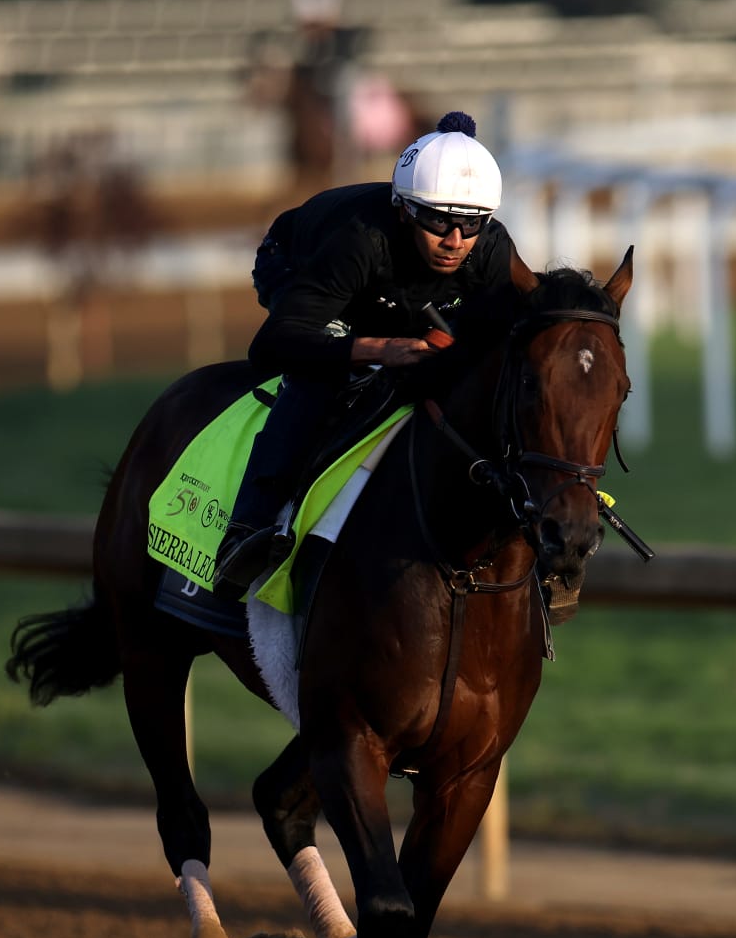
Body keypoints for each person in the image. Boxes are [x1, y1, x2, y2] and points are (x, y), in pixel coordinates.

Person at [211, 111, 516, 598]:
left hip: (396, 296)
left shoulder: (491, 249)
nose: (455, 240)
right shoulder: (360, 240)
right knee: (322, 376)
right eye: (437, 220)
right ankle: (247, 530)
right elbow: (271, 346)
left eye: (472, 223)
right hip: (298, 263)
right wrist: (375, 348)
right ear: (403, 208)